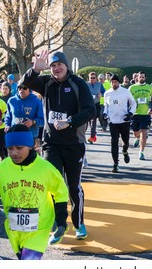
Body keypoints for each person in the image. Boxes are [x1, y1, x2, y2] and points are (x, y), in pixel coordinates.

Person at [22, 50, 95, 240]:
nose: (56, 68)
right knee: (54, 183)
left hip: (74, 143)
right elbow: (25, 83)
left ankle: (79, 223)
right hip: (51, 143)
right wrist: (35, 70)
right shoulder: (46, 83)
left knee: (73, 187)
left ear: (66, 65)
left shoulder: (78, 84)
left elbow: (90, 110)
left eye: (59, 65)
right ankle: (59, 223)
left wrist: (69, 122)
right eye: (52, 65)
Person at [0, 124, 69, 260]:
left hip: (40, 226)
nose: (14, 153)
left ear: (30, 146)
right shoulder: (0, 169)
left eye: (19, 148)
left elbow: (60, 192)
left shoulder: (45, 169)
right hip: (13, 228)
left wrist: (61, 219)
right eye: (10, 149)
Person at [103, 75, 137, 173]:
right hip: (113, 122)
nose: (114, 84)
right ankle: (116, 164)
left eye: (115, 82)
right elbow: (106, 106)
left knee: (125, 141)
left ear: (119, 82)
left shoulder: (125, 91)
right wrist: (105, 113)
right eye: (112, 82)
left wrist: (130, 113)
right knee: (114, 142)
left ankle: (125, 151)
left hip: (124, 121)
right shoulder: (107, 93)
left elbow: (133, 103)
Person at [4, 82, 44, 150]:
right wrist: (7, 125)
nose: (22, 90)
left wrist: (32, 122)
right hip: (14, 135)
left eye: (25, 88)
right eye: (19, 88)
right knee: (16, 158)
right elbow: (8, 117)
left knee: (32, 159)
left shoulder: (37, 102)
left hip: (31, 137)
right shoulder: (11, 101)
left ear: (29, 89)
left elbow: (43, 121)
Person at [129, 71, 152, 160]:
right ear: (137, 78)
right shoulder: (132, 88)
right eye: (140, 77)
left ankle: (141, 152)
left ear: (145, 78)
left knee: (144, 131)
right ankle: (138, 138)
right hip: (135, 113)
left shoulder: (150, 88)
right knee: (136, 132)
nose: (141, 78)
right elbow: (128, 100)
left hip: (146, 113)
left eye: (143, 77)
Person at [86, 72, 105, 144]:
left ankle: (92, 136)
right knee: (90, 120)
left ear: (96, 78)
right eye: (91, 78)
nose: (92, 79)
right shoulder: (86, 84)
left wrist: (101, 94)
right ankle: (93, 134)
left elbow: (104, 92)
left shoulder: (99, 84)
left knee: (93, 120)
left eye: (93, 78)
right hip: (88, 104)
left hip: (97, 104)